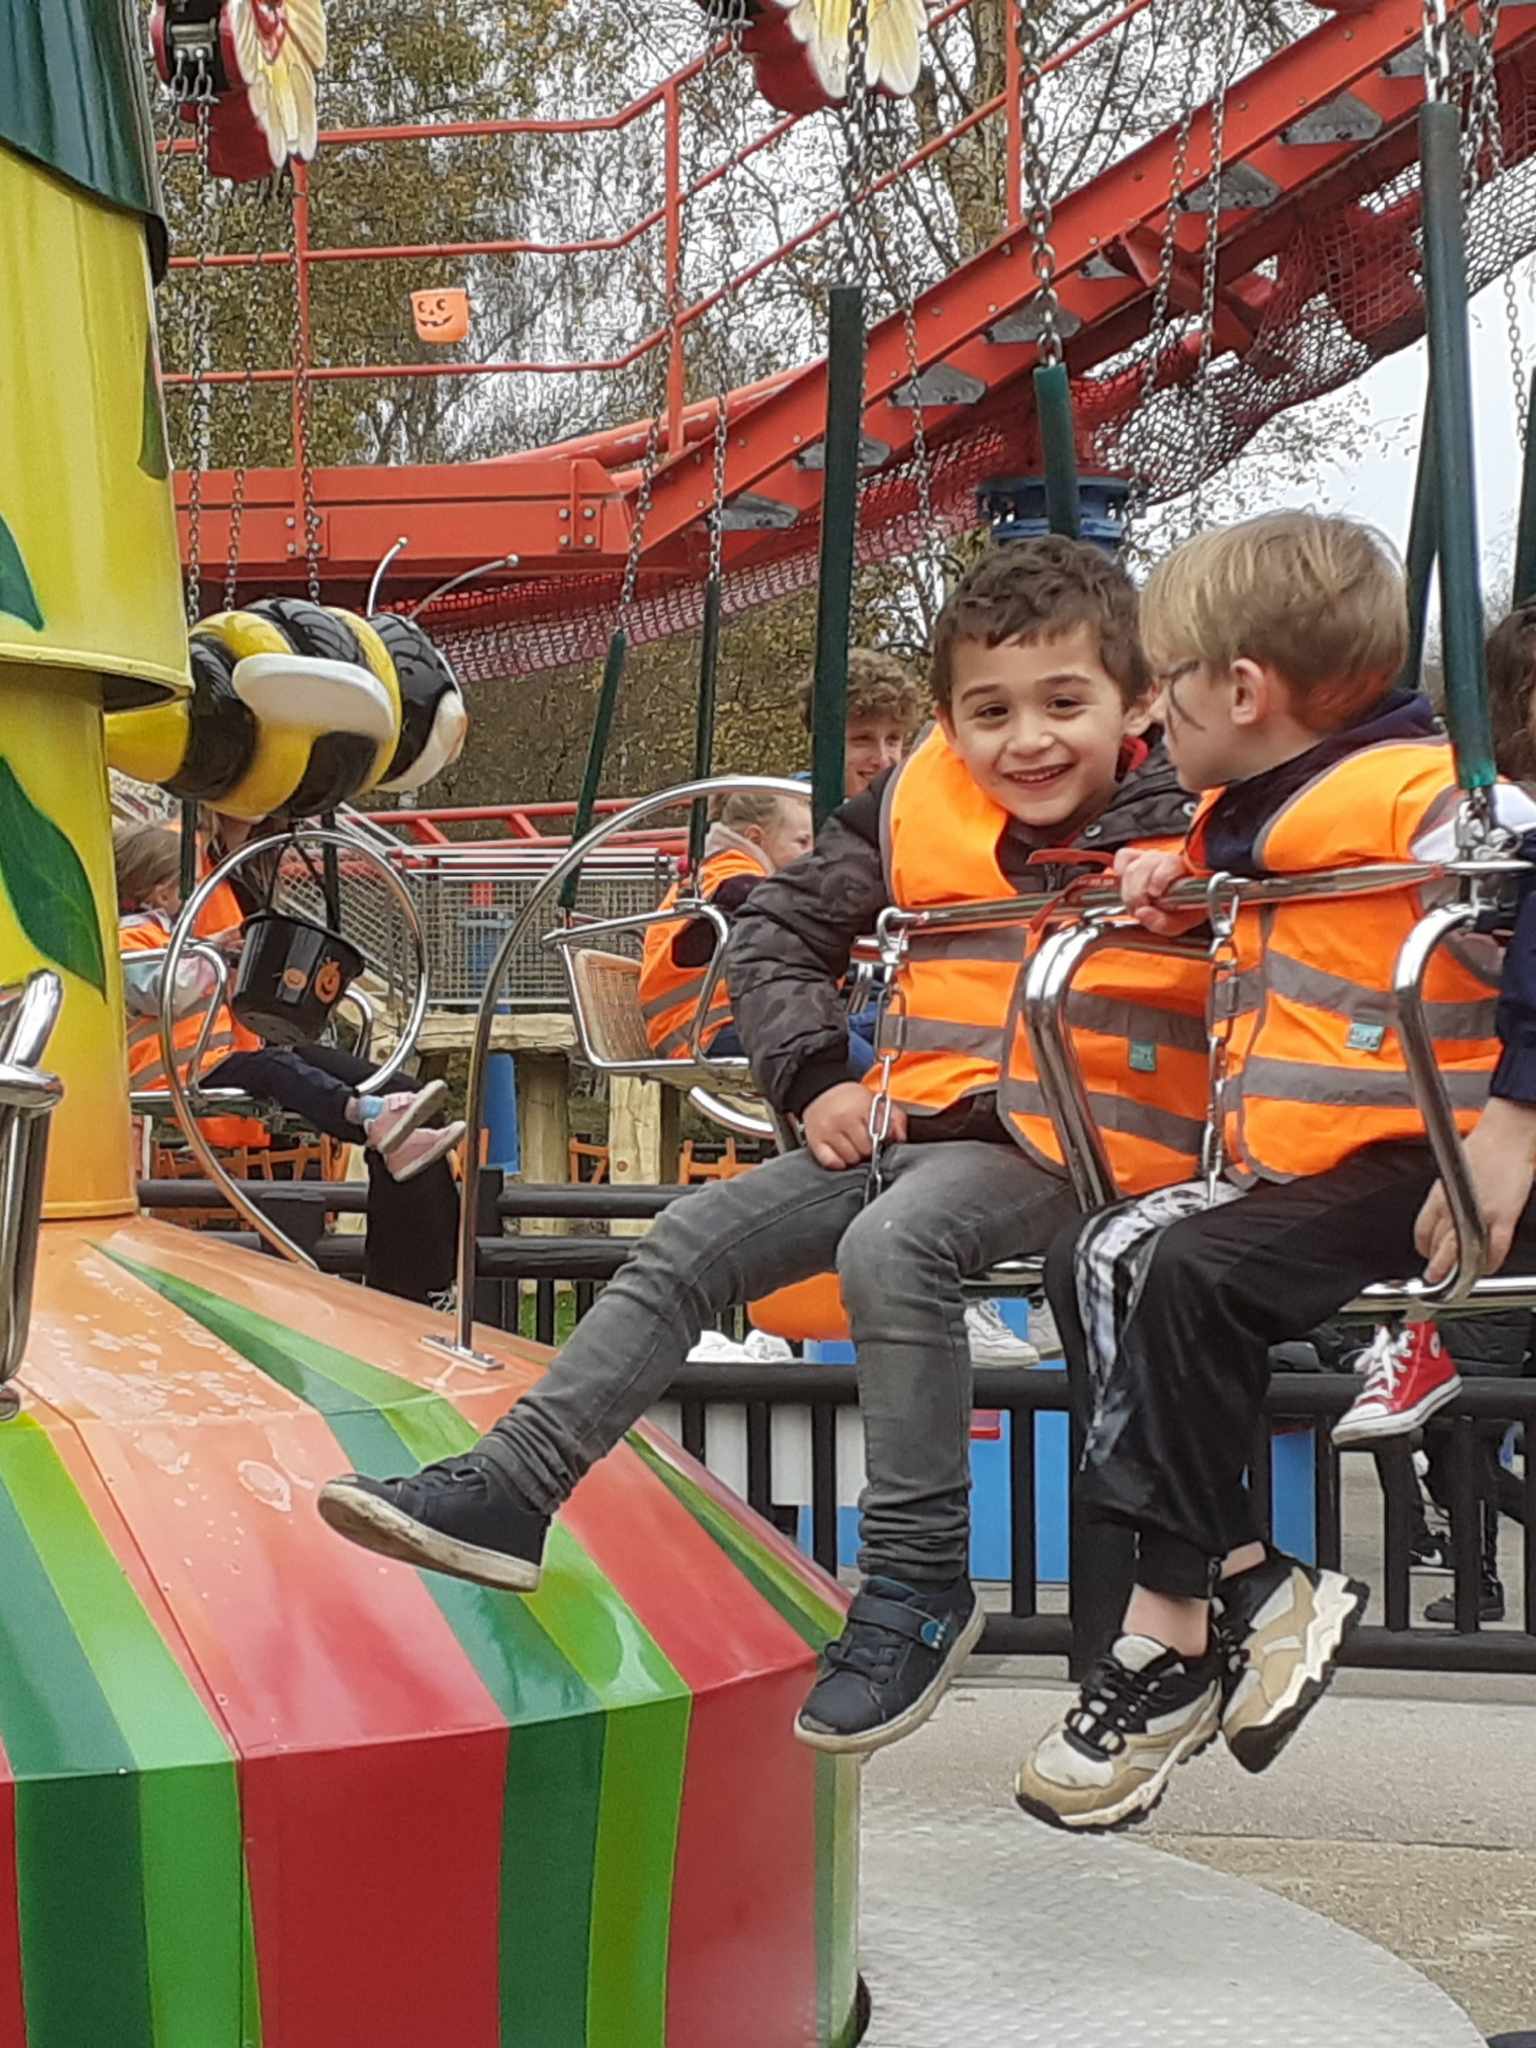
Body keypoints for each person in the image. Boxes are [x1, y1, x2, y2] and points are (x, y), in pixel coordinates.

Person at [316, 536, 1210, 1757]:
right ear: (951, 720)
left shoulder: (1193, 815)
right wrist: (814, 1073)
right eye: (992, 713)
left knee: (896, 1246)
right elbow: (780, 930)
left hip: (1092, 1139)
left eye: (1065, 704)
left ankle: (917, 1578)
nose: (1029, 741)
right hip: (922, 1116)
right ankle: (514, 1486)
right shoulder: (913, 805)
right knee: (691, 1232)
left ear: (1137, 703)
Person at [1016, 511, 1536, 1835]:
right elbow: (1248, 854)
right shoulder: (1259, 810)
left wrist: (1515, 1120)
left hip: (1439, 1155)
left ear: (1241, 691)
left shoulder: (1434, 800)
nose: (1156, 711)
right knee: (1099, 1252)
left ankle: (1171, 1631)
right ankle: (1240, 1581)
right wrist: (1170, 877)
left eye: (1166, 683)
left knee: (1193, 1270)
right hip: (1319, 1160)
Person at [116, 824, 465, 1183]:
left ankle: (392, 1137)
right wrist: (213, 957)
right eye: (186, 888)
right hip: (177, 1071)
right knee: (274, 1067)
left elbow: (186, 977)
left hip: (201, 1062)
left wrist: (220, 953)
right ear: (162, 894)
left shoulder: (168, 938)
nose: (193, 899)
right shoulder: (131, 938)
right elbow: (163, 991)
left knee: (287, 1065)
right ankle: (364, 1110)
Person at [638, 788, 815, 1064]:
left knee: (873, 1029)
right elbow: (760, 902)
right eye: (802, 842)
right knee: (839, 1045)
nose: (812, 854)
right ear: (756, 838)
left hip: (709, 1023)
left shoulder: (713, 872)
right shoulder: (732, 879)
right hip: (702, 1031)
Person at [796, 646, 925, 798]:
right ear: (819, 745)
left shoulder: (914, 806)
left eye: (892, 740)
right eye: (863, 739)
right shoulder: (787, 804)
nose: (883, 760)